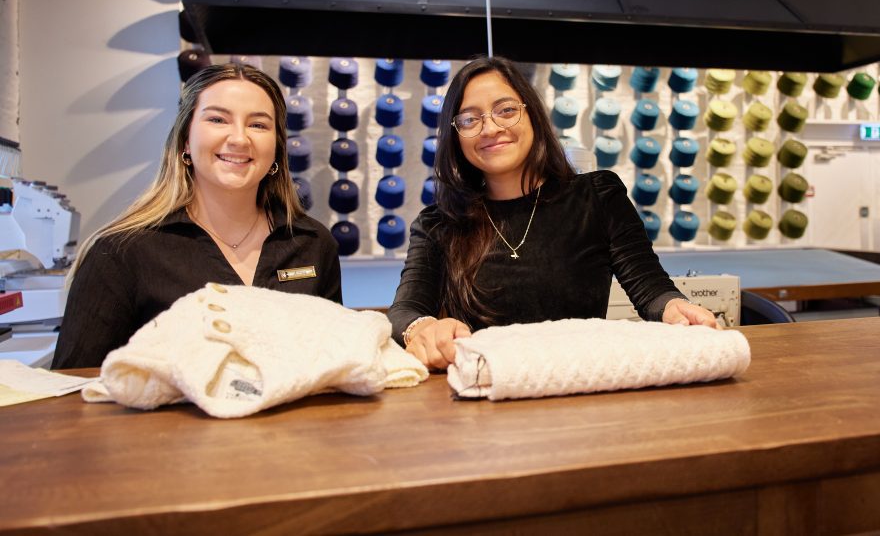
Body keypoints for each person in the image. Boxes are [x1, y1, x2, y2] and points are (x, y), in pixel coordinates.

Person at [389, 56, 716, 370]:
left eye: (506, 111)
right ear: (456, 134)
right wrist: (422, 327)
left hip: (578, 385)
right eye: (470, 119)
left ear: (533, 115)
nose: (490, 128)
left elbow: (651, 289)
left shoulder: (597, 197)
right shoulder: (439, 224)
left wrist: (676, 308)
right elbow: (405, 310)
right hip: (485, 391)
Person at [53, 63, 341, 369]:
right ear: (185, 142)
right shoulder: (119, 253)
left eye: (258, 125)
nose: (240, 139)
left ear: (276, 149)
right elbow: (73, 390)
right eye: (218, 119)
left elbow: (337, 365)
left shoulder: (313, 243)